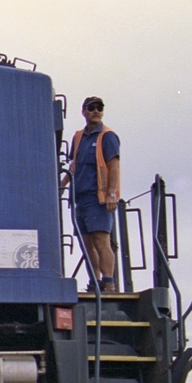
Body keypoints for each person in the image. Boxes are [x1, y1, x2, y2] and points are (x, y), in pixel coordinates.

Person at [62, 96, 121, 292]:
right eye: (91, 108)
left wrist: (111, 194)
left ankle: (109, 283)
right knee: (87, 243)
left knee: (101, 240)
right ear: (83, 111)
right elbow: (74, 165)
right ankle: (95, 282)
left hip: (99, 198)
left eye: (99, 108)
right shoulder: (79, 137)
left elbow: (114, 166)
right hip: (80, 197)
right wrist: (61, 185)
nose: (96, 111)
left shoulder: (107, 136)